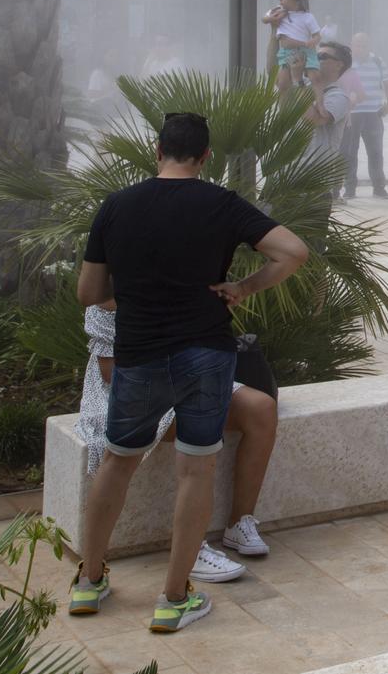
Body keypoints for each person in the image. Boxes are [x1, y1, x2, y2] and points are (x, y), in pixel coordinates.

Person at [68, 112, 309, 635]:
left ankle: (88, 582)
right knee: (195, 469)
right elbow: (293, 251)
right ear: (204, 158)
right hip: (206, 352)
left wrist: (131, 296)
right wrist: (242, 288)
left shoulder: (118, 206)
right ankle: (172, 598)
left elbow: (88, 294)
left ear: (158, 150)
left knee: (117, 461)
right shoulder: (223, 204)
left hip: (139, 354)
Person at [75, 302, 278, 582]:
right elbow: (112, 372)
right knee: (200, 428)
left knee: (261, 408)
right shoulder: (111, 298)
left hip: (191, 378)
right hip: (134, 391)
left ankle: (239, 523)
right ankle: (191, 551)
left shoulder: (182, 278)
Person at [341, 33, 388, 199]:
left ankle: (379, 187)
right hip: (352, 114)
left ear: (369, 46)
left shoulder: (377, 61)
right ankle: (350, 188)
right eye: (357, 44)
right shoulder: (346, 63)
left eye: (364, 44)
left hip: (373, 113)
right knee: (350, 152)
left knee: (376, 152)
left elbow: (387, 82)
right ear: (351, 45)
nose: (360, 48)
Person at [305, 43, 352, 197]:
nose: (315, 60)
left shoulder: (338, 97)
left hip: (314, 184)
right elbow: (273, 69)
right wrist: (275, 32)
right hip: (283, 178)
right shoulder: (303, 88)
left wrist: (299, 80)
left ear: (339, 65)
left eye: (322, 57)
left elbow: (315, 120)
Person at [262, 0, 320, 94]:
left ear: (298, 1)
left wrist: (311, 42)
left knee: (313, 78)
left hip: (303, 53)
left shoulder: (307, 17)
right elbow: (264, 19)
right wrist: (273, 22)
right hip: (286, 53)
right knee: (282, 83)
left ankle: (319, 102)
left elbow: (317, 35)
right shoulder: (278, 11)